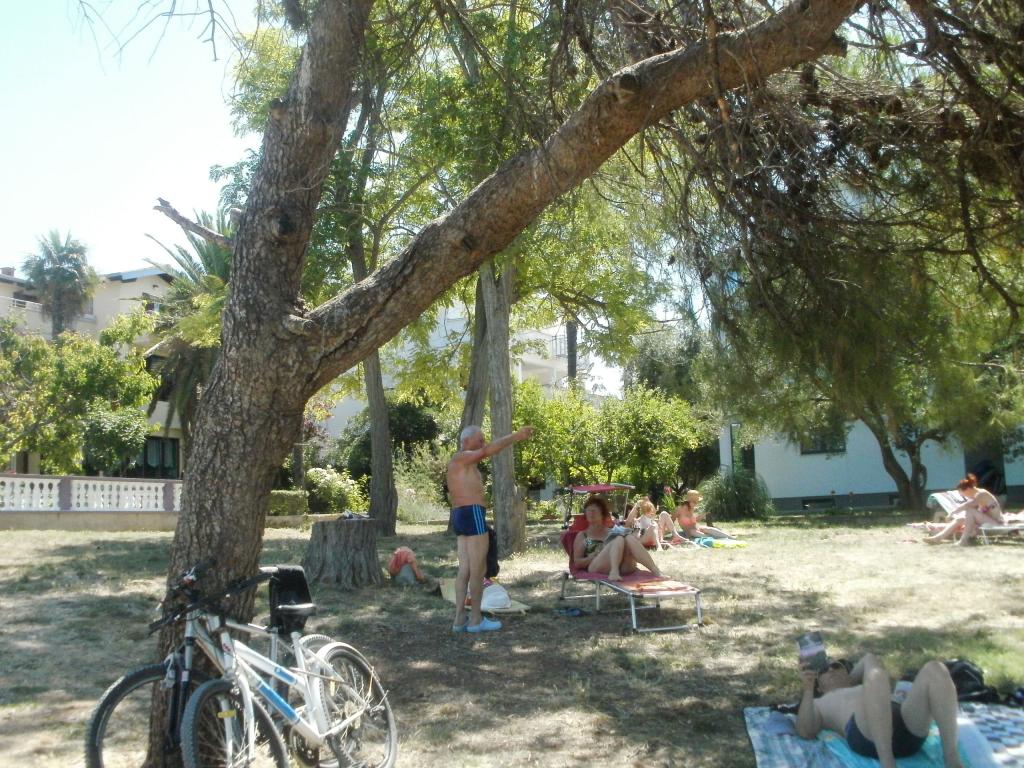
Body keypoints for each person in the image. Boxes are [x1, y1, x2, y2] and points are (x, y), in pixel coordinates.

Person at [795, 652, 962, 768]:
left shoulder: (864, 685)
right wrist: (808, 689)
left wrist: (851, 679)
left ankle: (952, 760)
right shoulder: (819, 702)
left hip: (906, 727)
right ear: (819, 685)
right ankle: (887, 763)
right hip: (867, 736)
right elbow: (805, 731)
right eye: (824, 670)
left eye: (836, 665)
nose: (831, 669)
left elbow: (868, 658)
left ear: (848, 673)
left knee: (935, 668)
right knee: (876, 674)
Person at [447, 424, 534, 633]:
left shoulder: (461, 463)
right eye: (480, 439)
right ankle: (476, 620)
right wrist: (515, 436)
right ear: (466, 441)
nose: (483, 443)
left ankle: (460, 619)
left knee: (465, 569)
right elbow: (487, 451)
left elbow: (484, 451)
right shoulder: (462, 458)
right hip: (472, 512)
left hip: (460, 514)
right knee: (478, 570)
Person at [572, 495, 665, 581]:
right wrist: (591, 557)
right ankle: (614, 572)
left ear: (602, 514)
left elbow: (627, 528)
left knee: (627, 537)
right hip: (596, 566)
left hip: (623, 566)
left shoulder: (611, 531)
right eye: (589, 510)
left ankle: (655, 570)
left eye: (595, 511)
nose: (591, 513)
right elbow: (577, 563)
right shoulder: (583, 535)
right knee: (618, 538)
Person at [925, 473, 1004, 546]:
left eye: (963, 493)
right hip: (986, 522)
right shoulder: (976, 497)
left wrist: (953, 512)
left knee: (970, 511)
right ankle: (938, 538)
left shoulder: (981, 494)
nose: (964, 496)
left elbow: (968, 505)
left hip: (996, 523)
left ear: (968, 489)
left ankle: (963, 541)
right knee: (960, 519)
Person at [672, 494, 737, 540]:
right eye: (695, 502)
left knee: (708, 529)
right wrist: (673, 533)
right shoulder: (679, 510)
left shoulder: (692, 508)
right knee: (695, 532)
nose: (696, 503)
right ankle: (717, 538)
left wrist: (703, 515)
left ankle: (730, 537)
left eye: (697, 502)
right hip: (689, 532)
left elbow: (695, 521)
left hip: (697, 528)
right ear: (689, 501)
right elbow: (671, 521)